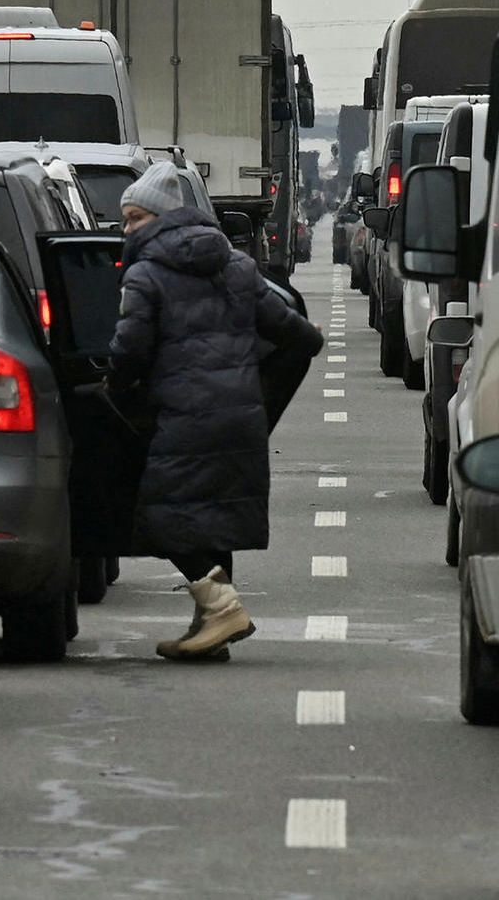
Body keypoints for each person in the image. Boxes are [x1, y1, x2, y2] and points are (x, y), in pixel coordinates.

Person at [109, 164, 324, 661]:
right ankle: (211, 630)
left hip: (185, 415)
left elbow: (131, 349)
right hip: (239, 417)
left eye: (134, 218)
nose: (126, 230)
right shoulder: (237, 268)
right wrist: (262, 392)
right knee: (214, 521)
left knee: (159, 518)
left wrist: (115, 384)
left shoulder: (146, 274)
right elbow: (300, 337)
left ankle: (222, 608)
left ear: (162, 219)